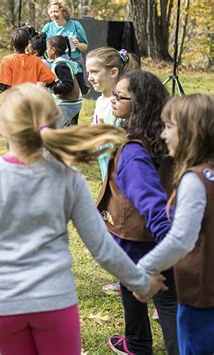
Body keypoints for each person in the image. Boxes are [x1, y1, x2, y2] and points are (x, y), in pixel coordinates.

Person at [0, 83, 167, 354]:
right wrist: (141, 282)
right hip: (53, 302)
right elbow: (103, 250)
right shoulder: (68, 179)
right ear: (52, 122)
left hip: (0, 305)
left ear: (2, 126)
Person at [96, 71, 179, 355]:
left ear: (140, 104)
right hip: (152, 237)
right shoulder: (168, 136)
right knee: (154, 296)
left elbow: (152, 203)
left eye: (121, 97)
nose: (114, 100)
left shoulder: (133, 151)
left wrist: (170, 245)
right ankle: (136, 343)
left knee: (163, 301)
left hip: (139, 239)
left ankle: (148, 346)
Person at [136, 94, 214, 355]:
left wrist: (144, 269)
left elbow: (181, 238)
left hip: (201, 298)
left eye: (169, 127)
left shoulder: (195, 180)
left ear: (192, 132)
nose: (164, 135)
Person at [86, 47, 139, 296]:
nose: (90, 77)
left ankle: (133, 277)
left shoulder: (122, 105)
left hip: (123, 175)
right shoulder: (100, 101)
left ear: (114, 72)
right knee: (112, 224)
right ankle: (125, 276)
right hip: (107, 174)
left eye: (95, 72)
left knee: (124, 226)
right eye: (88, 72)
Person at [41, 0, 89, 95]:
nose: (53, 15)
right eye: (51, 12)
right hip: (54, 66)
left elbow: (85, 46)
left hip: (74, 65)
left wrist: (78, 45)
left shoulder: (75, 25)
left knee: (75, 95)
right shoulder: (47, 28)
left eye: (56, 11)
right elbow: (42, 48)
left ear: (63, 11)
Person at [0, 27, 55, 96]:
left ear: (12, 44)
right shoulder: (35, 60)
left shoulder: (7, 60)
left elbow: (3, 86)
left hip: (14, 102)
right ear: (27, 44)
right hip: (31, 101)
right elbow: (51, 79)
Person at [46, 35, 82, 127]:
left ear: (53, 50)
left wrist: (54, 89)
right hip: (72, 103)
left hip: (68, 105)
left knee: (53, 129)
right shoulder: (64, 60)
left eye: (47, 48)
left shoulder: (60, 65)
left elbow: (68, 84)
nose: (46, 51)